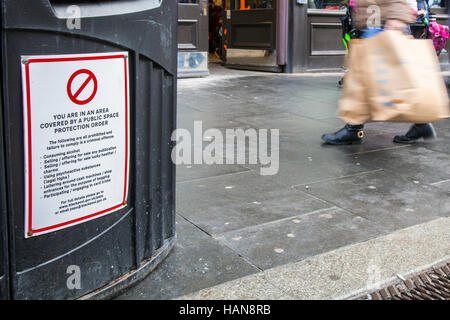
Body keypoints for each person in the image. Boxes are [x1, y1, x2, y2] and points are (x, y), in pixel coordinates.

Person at [322, 0, 438, 145]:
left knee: (372, 77)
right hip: (373, 18)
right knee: (368, 76)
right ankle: (421, 123)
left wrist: (397, 16)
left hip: (384, 21)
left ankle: (353, 128)